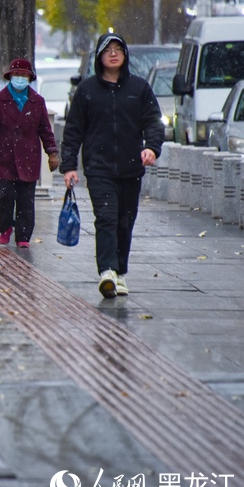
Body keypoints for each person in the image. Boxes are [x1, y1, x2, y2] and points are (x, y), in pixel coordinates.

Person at [60, 33, 164, 298]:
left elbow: (154, 121)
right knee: (106, 217)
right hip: (98, 167)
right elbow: (73, 131)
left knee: (125, 221)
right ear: (99, 56)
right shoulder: (87, 91)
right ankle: (106, 271)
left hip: (131, 168)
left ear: (125, 55)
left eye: (119, 49)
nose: (114, 53)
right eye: (108, 50)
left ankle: (119, 273)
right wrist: (69, 166)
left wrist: (151, 148)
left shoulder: (139, 89)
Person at [0, 58, 60, 249]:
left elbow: (45, 130)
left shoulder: (37, 101)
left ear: (30, 78)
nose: (20, 78)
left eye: (24, 75)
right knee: (5, 195)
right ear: (10, 76)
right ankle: (5, 227)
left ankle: (23, 235)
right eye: (17, 75)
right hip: (4, 157)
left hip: (29, 157)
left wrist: (52, 152)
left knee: (26, 199)